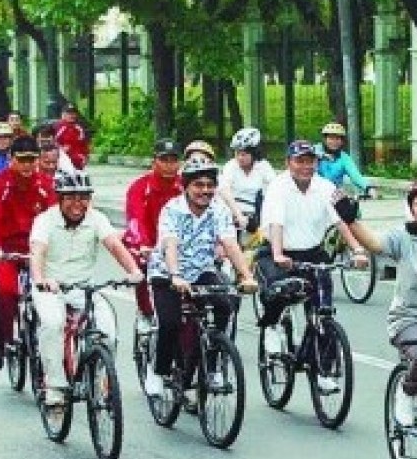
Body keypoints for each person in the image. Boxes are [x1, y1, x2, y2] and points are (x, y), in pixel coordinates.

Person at [333, 176, 417, 425]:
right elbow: (375, 244)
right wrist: (351, 220)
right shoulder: (404, 237)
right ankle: (407, 391)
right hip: (413, 320)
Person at [257, 139, 368, 391]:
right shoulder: (278, 187)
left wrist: (358, 250)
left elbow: (341, 222)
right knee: (277, 291)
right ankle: (273, 327)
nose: (306, 166)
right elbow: (276, 222)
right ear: (288, 163)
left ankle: (323, 371)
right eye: (300, 161)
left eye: (310, 161)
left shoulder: (324, 186)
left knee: (324, 310)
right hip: (280, 250)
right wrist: (277, 254)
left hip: (313, 252)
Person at [144, 159, 258, 397]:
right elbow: (170, 244)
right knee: (170, 323)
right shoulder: (172, 210)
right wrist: (175, 275)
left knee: (225, 306)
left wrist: (246, 276)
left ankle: (213, 367)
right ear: (186, 186)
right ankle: (158, 371)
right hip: (167, 273)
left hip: (201, 271)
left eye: (210, 185)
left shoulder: (220, 210)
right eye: (198, 185)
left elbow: (230, 244)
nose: (205, 190)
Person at [29, 171, 143, 406]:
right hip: (51, 287)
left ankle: (101, 379)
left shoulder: (97, 218)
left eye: (83, 197)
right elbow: (37, 252)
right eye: (70, 197)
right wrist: (41, 279)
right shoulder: (45, 221)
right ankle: (55, 385)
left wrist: (133, 271)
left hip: (84, 287)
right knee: (52, 324)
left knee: (108, 330)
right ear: (59, 198)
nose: (77, 204)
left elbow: (114, 245)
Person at [0, 136, 57, 370]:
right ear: (11, 159)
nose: (27, 165)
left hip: (37, 250)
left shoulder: (46, 184)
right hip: (5, 251)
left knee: (54, 291)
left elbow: (56, 218)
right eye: (22, 160)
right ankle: (2, 340)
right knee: (5, 292)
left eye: (32, 160)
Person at [123, 138, 183, 334]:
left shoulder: (186, 186)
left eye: (173, 160)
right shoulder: (139, 187)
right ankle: (145, 312)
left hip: (178, 246)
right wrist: (143, 245)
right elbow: (135, 219)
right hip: (148, 244)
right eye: (163, 160)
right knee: (140, 268)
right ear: (154, 162)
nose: (169, 165)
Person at [220, 127, 275, 234]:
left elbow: (274, 189)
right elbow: (224, 191)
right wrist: (238, 215)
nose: (240, 157)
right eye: (237, 153)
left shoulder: (263, 166)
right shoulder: (231, 166)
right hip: (232, 214)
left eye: (244, 154)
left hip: (255, 217)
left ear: (254, 153)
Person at [315, 122, 377, 198]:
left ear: (342, 141)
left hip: (333, 195)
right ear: (325, 139)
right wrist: (321, 156)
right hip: (313, 194)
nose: (334, 142)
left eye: (337, 138)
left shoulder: (344, 158)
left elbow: (356, 176)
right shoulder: (314, 151)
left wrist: (369, 188)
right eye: (331, 138)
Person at [54, 103, 90, 170]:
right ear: (63, 114)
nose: (72, 116)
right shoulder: (58, 127)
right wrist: (61, 149)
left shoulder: (79, 128)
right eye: (69, 113)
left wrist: (86, 157)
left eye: (73, 113)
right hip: (63, 162)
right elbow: (53, 142)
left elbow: (84, 145)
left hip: (78, 163)